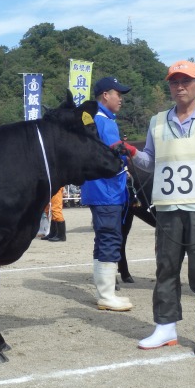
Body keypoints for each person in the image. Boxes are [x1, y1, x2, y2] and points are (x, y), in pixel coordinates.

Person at [117, 60, 195, 357]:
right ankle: (165, 328)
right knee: (165, 267)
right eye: (174, 82)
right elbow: (151, 163)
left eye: (186, 81)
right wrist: (132, 152)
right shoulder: (157, 121)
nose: (180, 86)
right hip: (168, 208)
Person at [80, 76, 133, 311]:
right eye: (118, 94)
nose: (120, 99)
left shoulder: (98, 119)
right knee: (110, 237)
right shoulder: (104, 121)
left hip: (101, 188)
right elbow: (112, 156)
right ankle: (106, 294)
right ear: (105, 95)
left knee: (103, 237)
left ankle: (105, 291)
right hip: (107, 190)